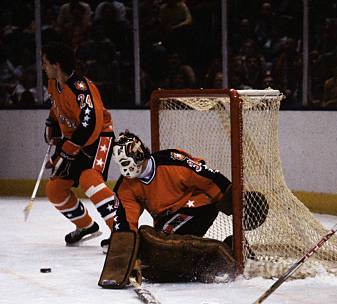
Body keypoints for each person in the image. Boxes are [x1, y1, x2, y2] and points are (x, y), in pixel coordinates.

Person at [101, 131, 238, 283]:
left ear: (137, 153)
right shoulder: (125, 187)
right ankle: (223, 253)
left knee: (161, 246)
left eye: (126, 163)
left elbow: (208, 177)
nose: (125, 170)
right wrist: (126, 263)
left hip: (198, 204)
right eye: (121, 165)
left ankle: (218, 257)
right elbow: (125, 222)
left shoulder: (171, 161)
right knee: (156, 261)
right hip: (167, 218)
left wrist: (237, 205)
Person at [42, 42, 116, 246]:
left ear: (56, 65)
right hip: (75, 141)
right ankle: (86, 225)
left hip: (98, 139)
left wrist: (66, 152)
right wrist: (53, 123)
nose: (43, 67)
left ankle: (121, 230)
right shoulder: (52, 83)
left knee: (89, 179)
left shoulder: (81, 89)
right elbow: (57, 107)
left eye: (45, 63)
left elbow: (90, 125)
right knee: (55, 189)